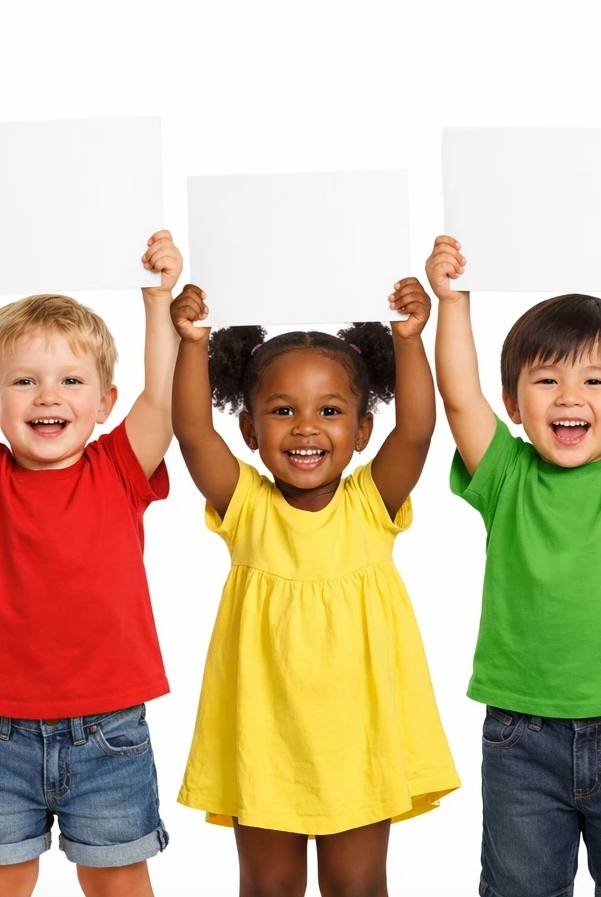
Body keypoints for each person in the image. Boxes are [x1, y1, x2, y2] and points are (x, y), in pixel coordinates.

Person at [0, 232, 184, 897]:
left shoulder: (119, 468)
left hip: (110, 731)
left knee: (119, 885)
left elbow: (165, 404)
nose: (48, 396)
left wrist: (158, 302)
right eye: (24, 381)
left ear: (106, 403)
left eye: (71, 381)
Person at [426, 233, 601, 897]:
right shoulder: (503, 474)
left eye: (594, 380)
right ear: (514, 404)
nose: (568, 396)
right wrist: (454, 301)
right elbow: (459, 396)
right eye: (546, 380)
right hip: (522, 738)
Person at [169, 276, 458, 897]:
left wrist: (410, 341)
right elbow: (193, 434)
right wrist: (192, 345)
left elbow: (418, 431)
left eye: (329, 410)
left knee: (357, 887)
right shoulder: (247, 506)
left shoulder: (370, 502)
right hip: (264, 741)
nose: (306, 428)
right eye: (282, 411)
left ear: (360, 431)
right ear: (249, 429)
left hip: (359, 741)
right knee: (267, 888)